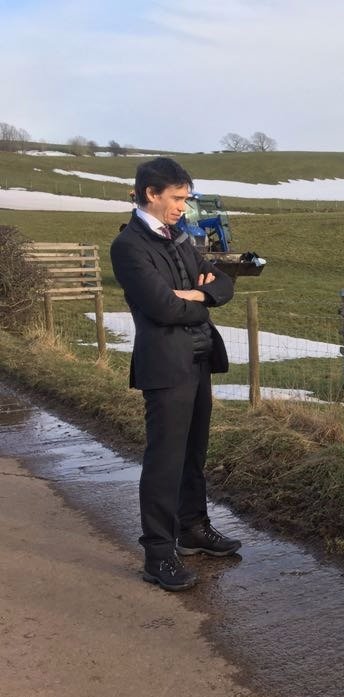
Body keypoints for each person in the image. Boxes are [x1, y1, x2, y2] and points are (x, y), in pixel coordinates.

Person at [110, 157, 241, 592]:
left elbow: (224, 282)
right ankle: (158, 553)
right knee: (165, 460)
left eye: (186, 198)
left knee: (193, 454)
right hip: (165, 365)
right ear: (152, 193)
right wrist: (200, 298)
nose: (184, 206)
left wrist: (198, 291)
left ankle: (193, 530)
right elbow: (162, 307)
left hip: (199, 357)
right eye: (178, 198)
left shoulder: (179, 238)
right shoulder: (129, 246)